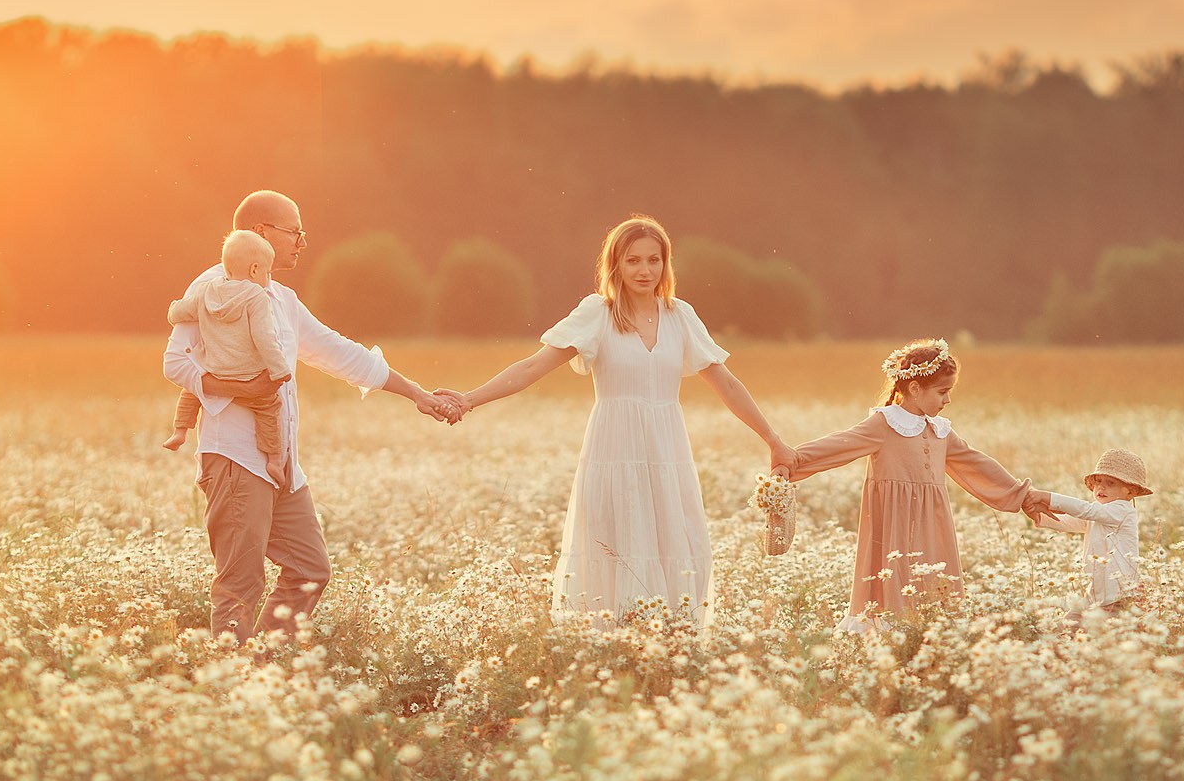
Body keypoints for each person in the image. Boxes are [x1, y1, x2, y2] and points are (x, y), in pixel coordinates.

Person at [451, 215, 790, 627]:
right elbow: (530, 369)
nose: (645, 271)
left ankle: (670, 658)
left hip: (667, 456)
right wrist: (468, 399)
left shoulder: (680, 316)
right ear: (616, 265)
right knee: (617, 553)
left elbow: (729, 386)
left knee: (676, 550)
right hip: (613, 454)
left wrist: (773, 440)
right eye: (633, 261)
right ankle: (611, 660)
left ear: (667, 264)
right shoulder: (597, 313)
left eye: (654, 260)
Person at [162, 190, 463, 651]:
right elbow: (175, 362)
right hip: (236, 458)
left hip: (282, 463)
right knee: (240, 586)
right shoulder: (210, 288)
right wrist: (239, 389)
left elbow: (341, 353)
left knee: (309, 569)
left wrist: (417, 394)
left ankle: (259, 666)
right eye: (294, 232)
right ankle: (229, 692)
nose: (302, 242)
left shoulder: (282, 299)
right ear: (261, 233)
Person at [780, 339, 1050, 624]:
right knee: (894, 585)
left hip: (933, 529)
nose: (948, 400)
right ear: (914, 389)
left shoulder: (940, 430)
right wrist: (792, 461)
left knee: (934, 585)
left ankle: (931, 641)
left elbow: (977, 463)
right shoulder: (884, 424)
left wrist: (1021, 495)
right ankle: (894, 641)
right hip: (892, 527)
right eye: (942, 392)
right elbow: (839, 445)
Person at [161, 229, 292, 486]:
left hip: (215, 370)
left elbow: (180, 313)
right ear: (255, 270)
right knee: (270, 407)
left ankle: (179, 431)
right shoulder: (256, 297)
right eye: (267, 272)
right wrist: (279, 369)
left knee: (192, 391)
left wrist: (172, 309)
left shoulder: (207, 292)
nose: (268, 278)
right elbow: (264, 338)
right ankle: (274, 460)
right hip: (248, 374)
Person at [1033, 449, 1150, 622]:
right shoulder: (1100, 513)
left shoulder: (1124, 510)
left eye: (1110, 483)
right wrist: (1036, 514)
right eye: (1098, 482)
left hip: (1116, 596)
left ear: (1130, 492)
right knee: (1063, 631)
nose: (1101, 487)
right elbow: (1068, 522)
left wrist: (1047, 497)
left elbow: (1086, 510)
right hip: (1095, 592)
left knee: (1099, 639)